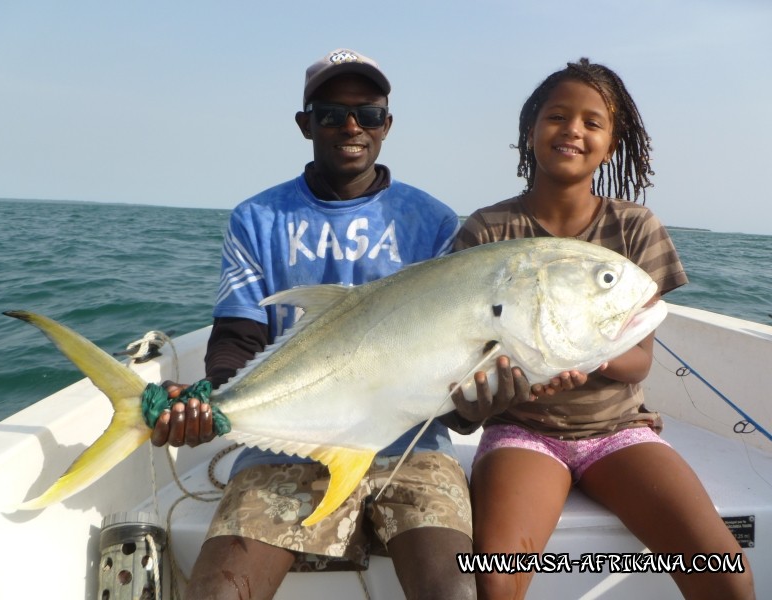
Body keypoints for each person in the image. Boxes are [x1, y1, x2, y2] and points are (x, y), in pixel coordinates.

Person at [151, 48, 529, 600]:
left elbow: (456, 364)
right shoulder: (257, 219)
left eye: (369, 113)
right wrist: (213, 402)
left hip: (413, 444)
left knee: (452, 593)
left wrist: (476, 408)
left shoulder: (435, 224)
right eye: (332, 113)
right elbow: (238, 337)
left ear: (387, 125)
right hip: (289, 442)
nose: (352, 126)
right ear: (306, 124)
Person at [453, 58, 755, 599]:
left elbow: (639, 358)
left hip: (619, 431)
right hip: (523, 430)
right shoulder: (488, 230)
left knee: (725, 574)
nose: (573, 130)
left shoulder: (634, 228)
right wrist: (520, 375)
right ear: (530, 130)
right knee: (496, 581)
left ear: (612, 144)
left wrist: (582, 358)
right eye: (558, 117)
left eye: (592, 122)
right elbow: (471, 359)